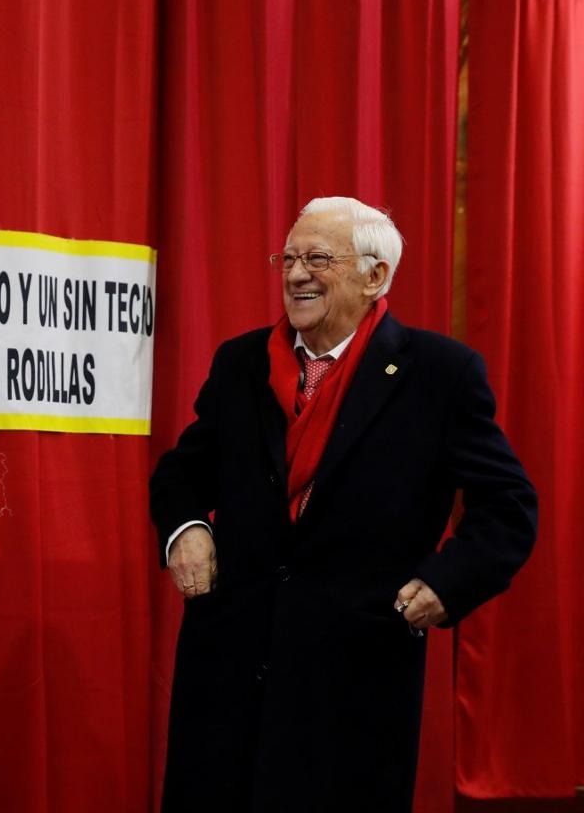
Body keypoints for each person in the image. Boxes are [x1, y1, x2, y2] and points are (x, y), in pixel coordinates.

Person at [150, 197, 536, 811]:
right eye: (289, 257)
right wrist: (187, 529)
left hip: (354, 670)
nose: (297, 273)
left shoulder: (439, 372)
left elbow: (508, 506)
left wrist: (444, 583)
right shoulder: (242, 362)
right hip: (231, 664)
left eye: (318, 258)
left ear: (375, 275)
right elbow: (181, 473)